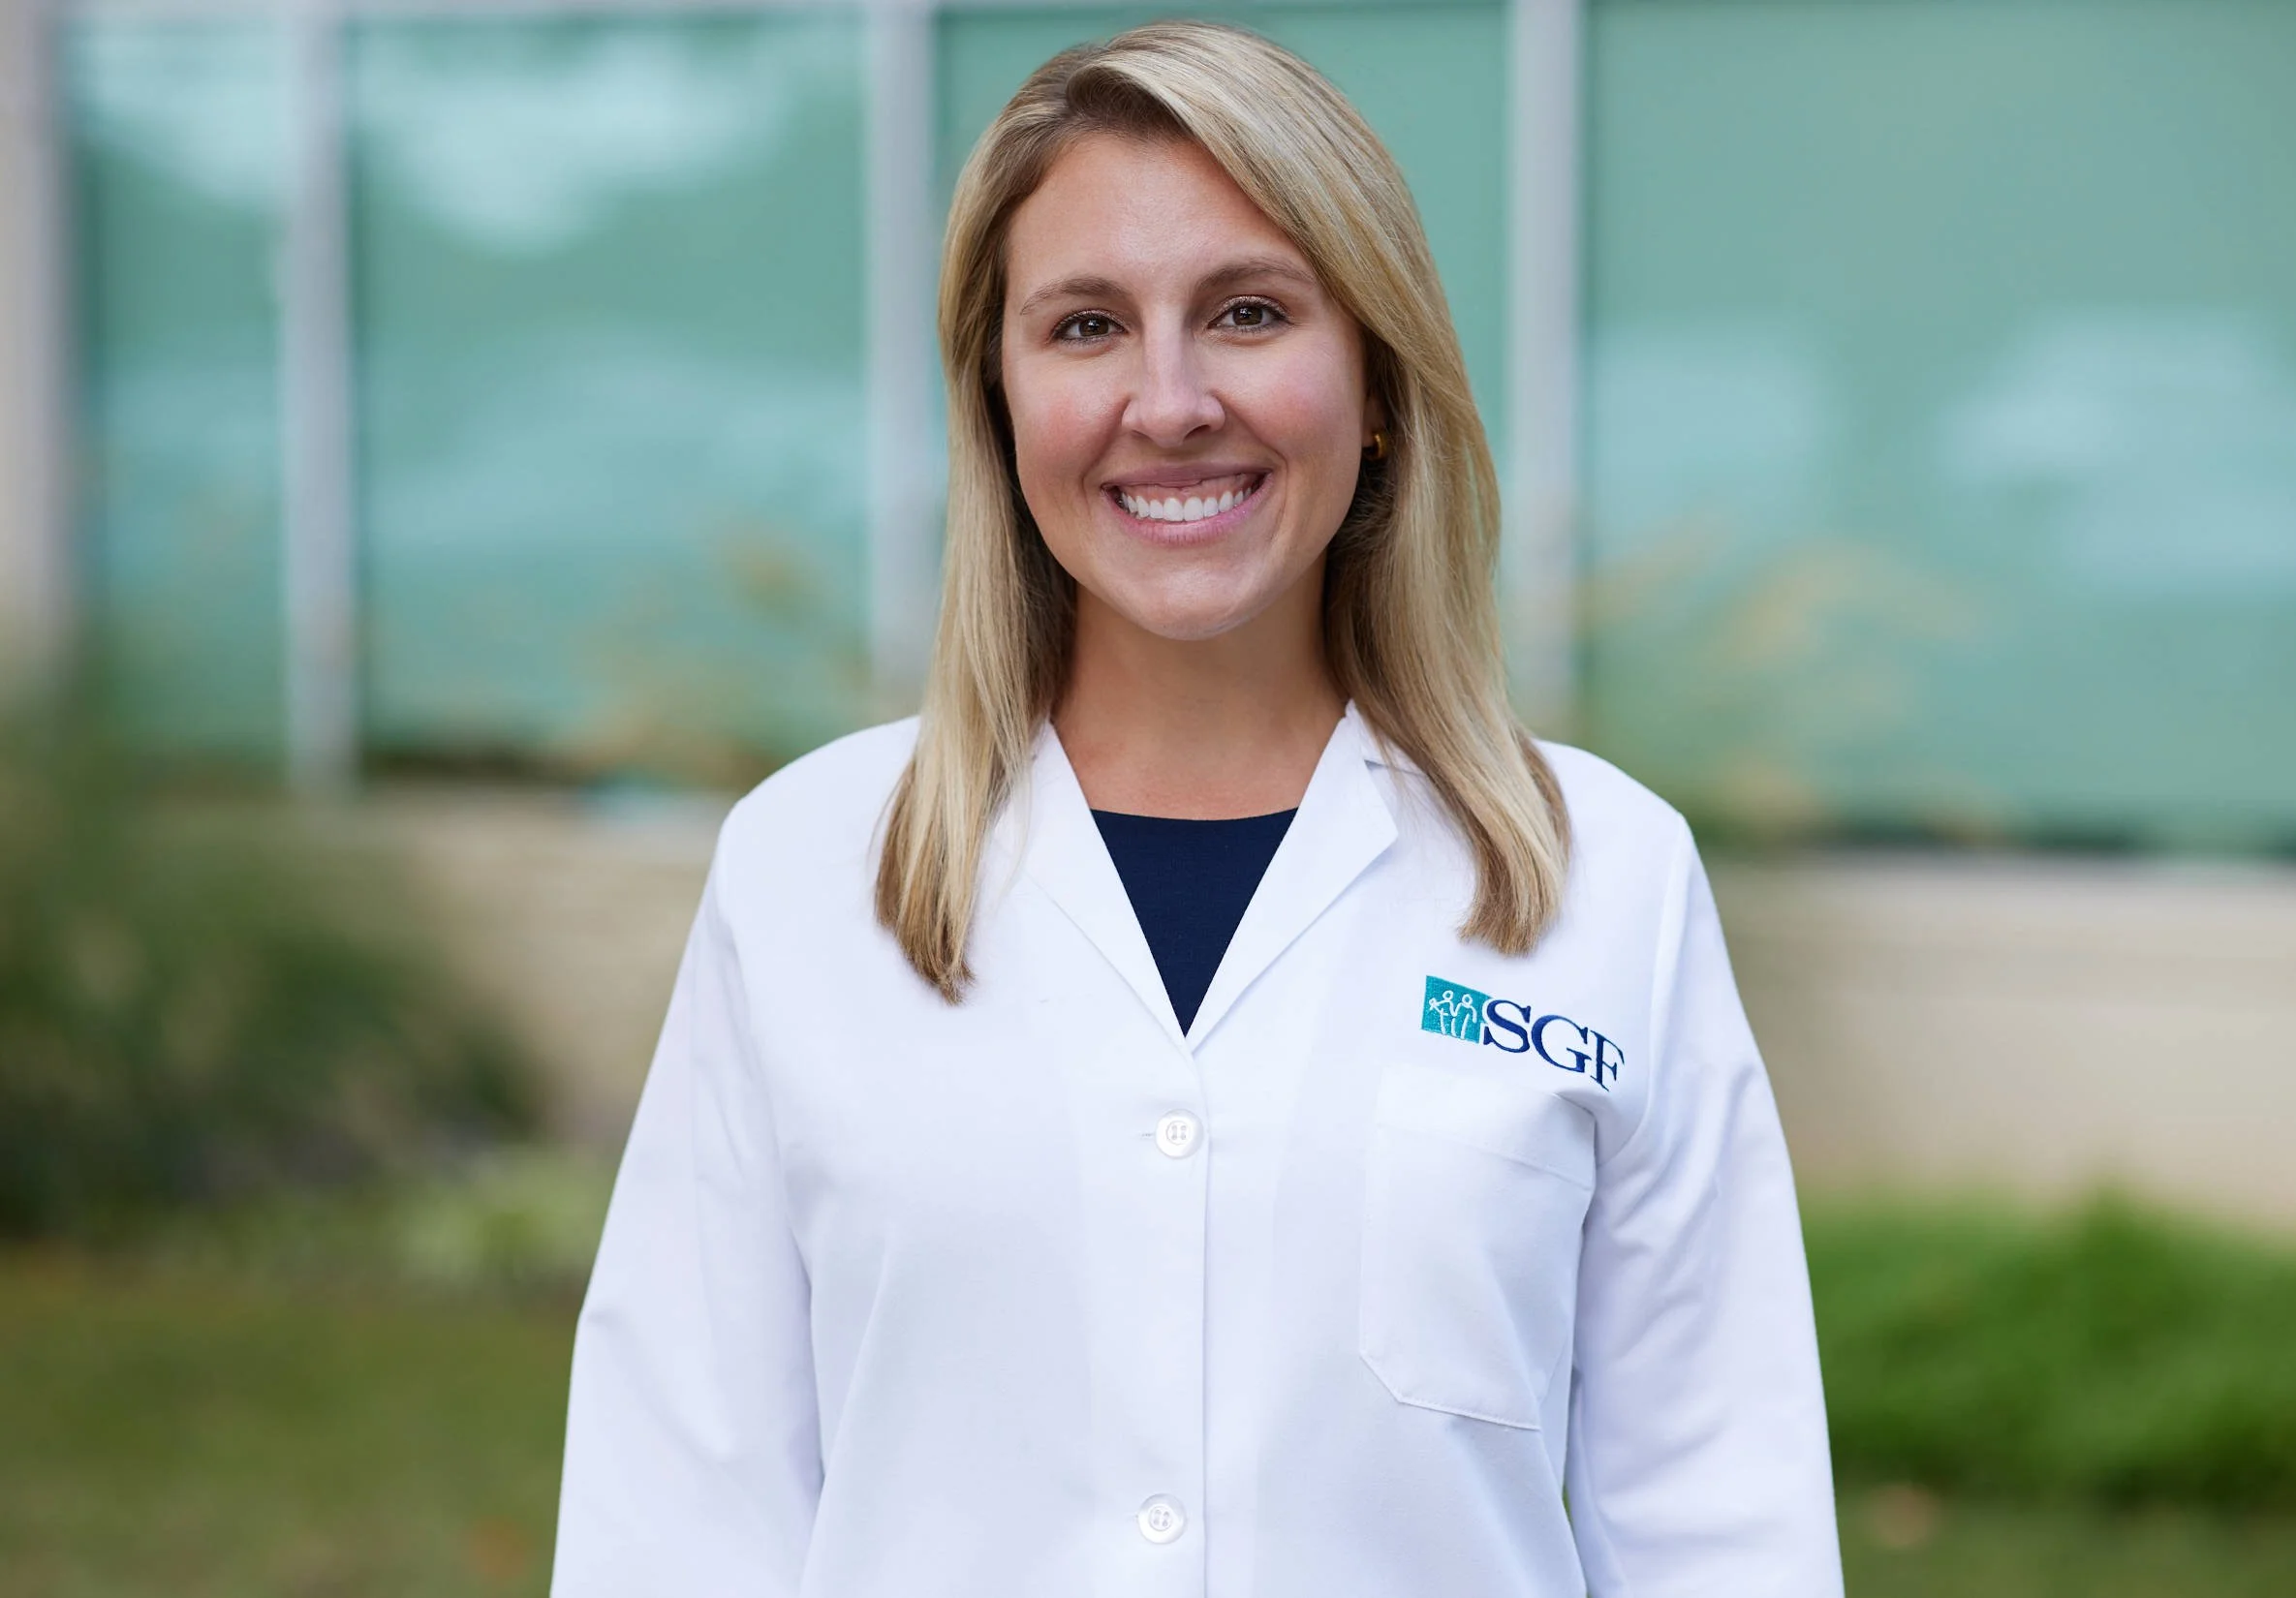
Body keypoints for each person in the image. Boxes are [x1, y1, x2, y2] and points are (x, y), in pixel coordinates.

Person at [551, 20, 1840, 1597]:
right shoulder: (805, 869)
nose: (1167, 402)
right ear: (1001, 401)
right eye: (1086, 326)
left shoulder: (1599, 878)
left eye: (1246, 312)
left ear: (1373, 379)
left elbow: (1724, 1522)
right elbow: (678, 1515)